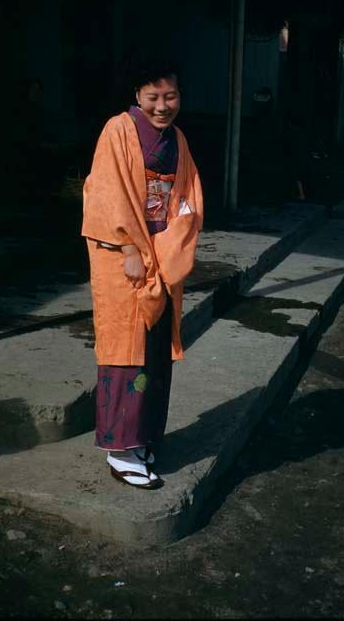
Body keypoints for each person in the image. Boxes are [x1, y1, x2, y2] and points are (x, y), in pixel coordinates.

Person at [81, 58, 203, 489]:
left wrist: (169, 250)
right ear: (137, 96)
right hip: (123, 258)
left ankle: (145, 434)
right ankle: (119, 447)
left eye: (170, 96)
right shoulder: (118, 130)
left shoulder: (179, 141)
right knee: (124, 348)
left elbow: (187, 200)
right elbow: (104, 193)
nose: (162, 106)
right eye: (152, 97)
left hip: (162, 255)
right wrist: (131, 247)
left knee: (153, 350)